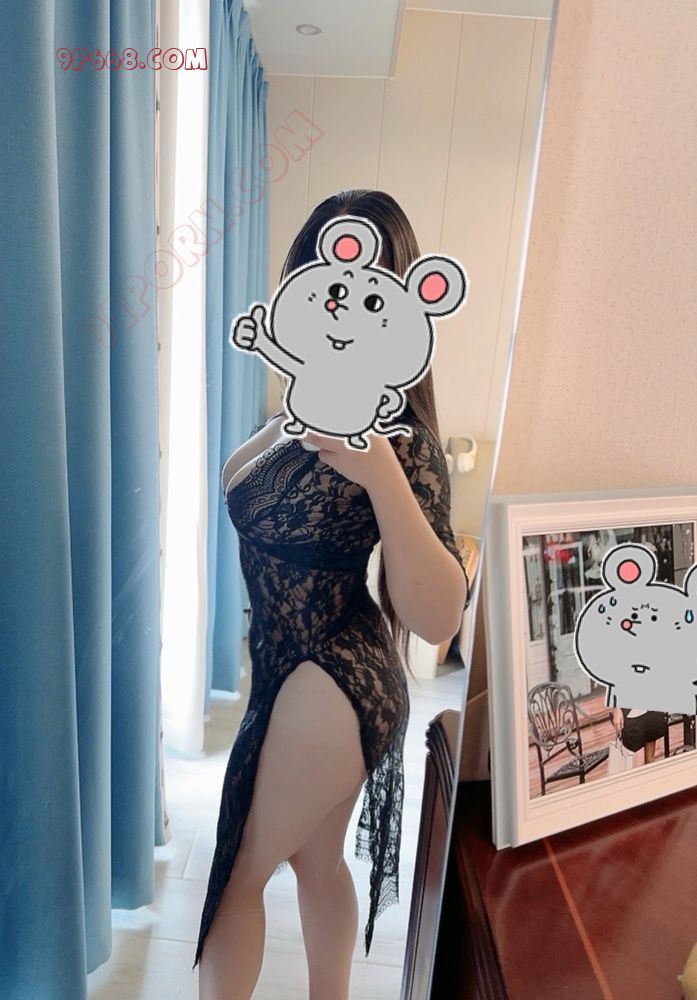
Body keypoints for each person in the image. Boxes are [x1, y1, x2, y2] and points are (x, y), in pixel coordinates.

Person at [193, 189, 469, 999]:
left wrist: (381, 472)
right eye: (316, 277)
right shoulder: (294, 409)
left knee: (238, 872)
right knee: (315, 860)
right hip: (285, 665)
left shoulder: (399, 442)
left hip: (336, 672)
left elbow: (438, 614)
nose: (337, 303)